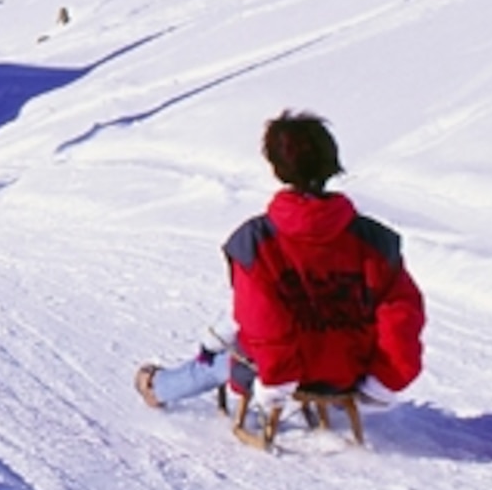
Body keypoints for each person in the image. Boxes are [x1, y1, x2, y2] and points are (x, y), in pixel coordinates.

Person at [137, 112, 425, 423]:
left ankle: (160, 387)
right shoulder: (375, 241)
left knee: (224, 358)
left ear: (277, 167)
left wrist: (277, 380)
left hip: (278, 374)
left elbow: (261, 320)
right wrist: (385, 379)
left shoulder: (256, 241)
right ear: (331, 162)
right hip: (348, 370)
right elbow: (402, 315)